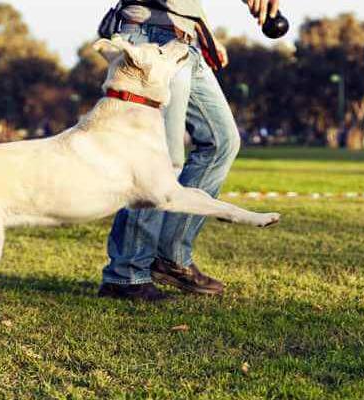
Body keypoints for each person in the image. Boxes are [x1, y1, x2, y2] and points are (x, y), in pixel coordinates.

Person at [98, 0, 282, 301]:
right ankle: (126, 275)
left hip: (183, 41)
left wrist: (203, 28)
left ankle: (170, 257)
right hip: (148, 41)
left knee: (221, 141)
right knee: (159, 162)